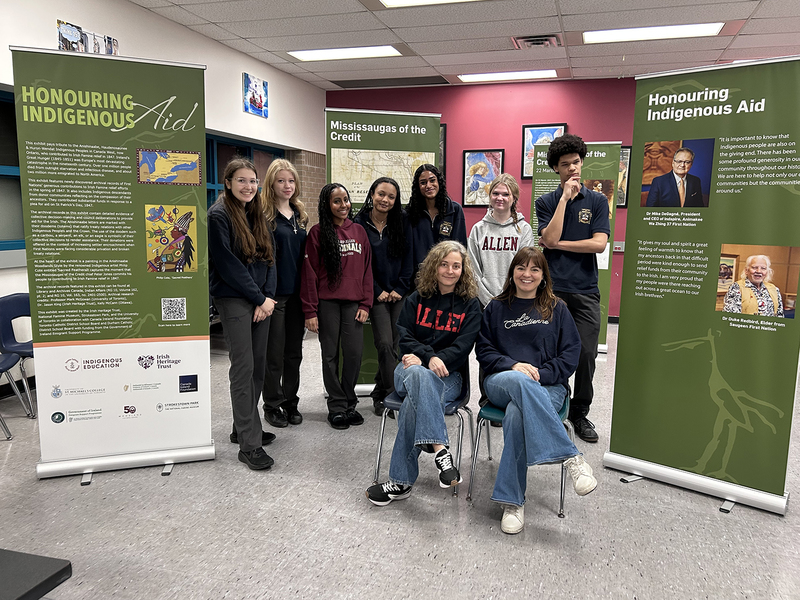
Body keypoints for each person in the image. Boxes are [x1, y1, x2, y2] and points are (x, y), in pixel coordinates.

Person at [476, 246, 597, 534]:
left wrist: (541, 374)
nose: (526, 274)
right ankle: (570, 457)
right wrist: (512, 365)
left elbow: (570, 355)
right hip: (502, 382)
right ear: (512, 272)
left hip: (549, 386)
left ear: (543, 276)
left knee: (518, 413)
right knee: (520, 383)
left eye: (534, 269)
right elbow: (484, 350)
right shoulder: (495, 307)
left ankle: (511, 502)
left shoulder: (558, 309)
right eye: (521, 268)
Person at [366, 241, 481, 506]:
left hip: (450, 376)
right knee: (418, 375)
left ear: (463, 270)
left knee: (412, 403)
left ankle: (400, 482)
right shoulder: (416, 299)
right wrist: (429, 358)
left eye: (456, 266)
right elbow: (403, 337)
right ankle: (441, 451)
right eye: (444, 264)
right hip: (407, 370)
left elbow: (464, 346)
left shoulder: (471, 305)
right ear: (434, 266)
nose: (450, 271)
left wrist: (432, 359)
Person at [535, 133, 610, 443]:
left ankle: (580, 412)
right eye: (565, 165)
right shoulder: (546, 201)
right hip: (552, 290)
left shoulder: (597, 200)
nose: (573, 169)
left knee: (586, 354)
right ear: (556, 169)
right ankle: (554, 404)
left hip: (585, 290)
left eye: (576, 163)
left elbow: (599, 244)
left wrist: (558, 244)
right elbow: (546, 236)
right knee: (550, 352)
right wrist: (565, 199)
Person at [208, 157, 277, 470]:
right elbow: (228, 265)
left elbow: (270, 257)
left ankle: (243, 427)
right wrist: (258, 297)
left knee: (258, 367)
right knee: (243, 367)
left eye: (252, 181)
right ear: (228, 182)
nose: (248, 186)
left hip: (260, 299)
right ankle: (249, 445)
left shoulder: (257, 212)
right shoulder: (219, 215)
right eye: (241, 181)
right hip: (235, 298)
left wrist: (268, 298)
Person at [301, 183, 373, 430]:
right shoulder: (318, 233)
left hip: (354, 303)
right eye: (337, 201)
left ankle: (349, 401)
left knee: (353, 354)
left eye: (346, 200)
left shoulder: (360, 232)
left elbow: (367, 271)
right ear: (327, 205)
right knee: (330, 355)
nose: (344, 205)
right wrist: (309, 310)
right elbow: (309, 273)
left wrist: (366, 302)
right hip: (327, 303)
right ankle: (337, 406)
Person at [354, 177, 414, 416]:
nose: (385, 200)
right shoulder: (358, 223)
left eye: (391, 196)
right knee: (384, 344)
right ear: (372, 194)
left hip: (399, 293)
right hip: (374, 293)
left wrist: (400, 287)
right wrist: (377, 290)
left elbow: (408, 259)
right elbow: (360, 264)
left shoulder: (402, 221)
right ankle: (391, 395)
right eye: (381, 194)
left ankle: (380, 393)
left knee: (399, 345)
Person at [261, 159, 308, 428]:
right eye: (281, 181)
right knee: (274, 354)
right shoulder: (264, 216)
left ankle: (291, 402)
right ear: (271, 183)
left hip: (298, 296)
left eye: (290, 181)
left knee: (294, 353)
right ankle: (273, 404)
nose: (287, 186)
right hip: (275, 296)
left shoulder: (300, 215)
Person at [468, 173, 534, 308]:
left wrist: (510, 297)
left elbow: (525, 270)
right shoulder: (478, 229)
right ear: (490, 195)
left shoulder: (524, 229)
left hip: (514, 300)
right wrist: (488, 301)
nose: (500, 198)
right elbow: (473, 270)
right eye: (495, 193)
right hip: (483, 302)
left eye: (505, 194)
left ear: (514, 198)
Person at [406, 164, 467, 279]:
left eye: (432, 180)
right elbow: (408, 251)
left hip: (447, 276)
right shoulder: (410, 213)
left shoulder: (454, 210)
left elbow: (460, 247)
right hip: (419, 278)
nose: (428, 186)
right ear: (418, 187)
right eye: (423, 183)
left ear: (439, 182)